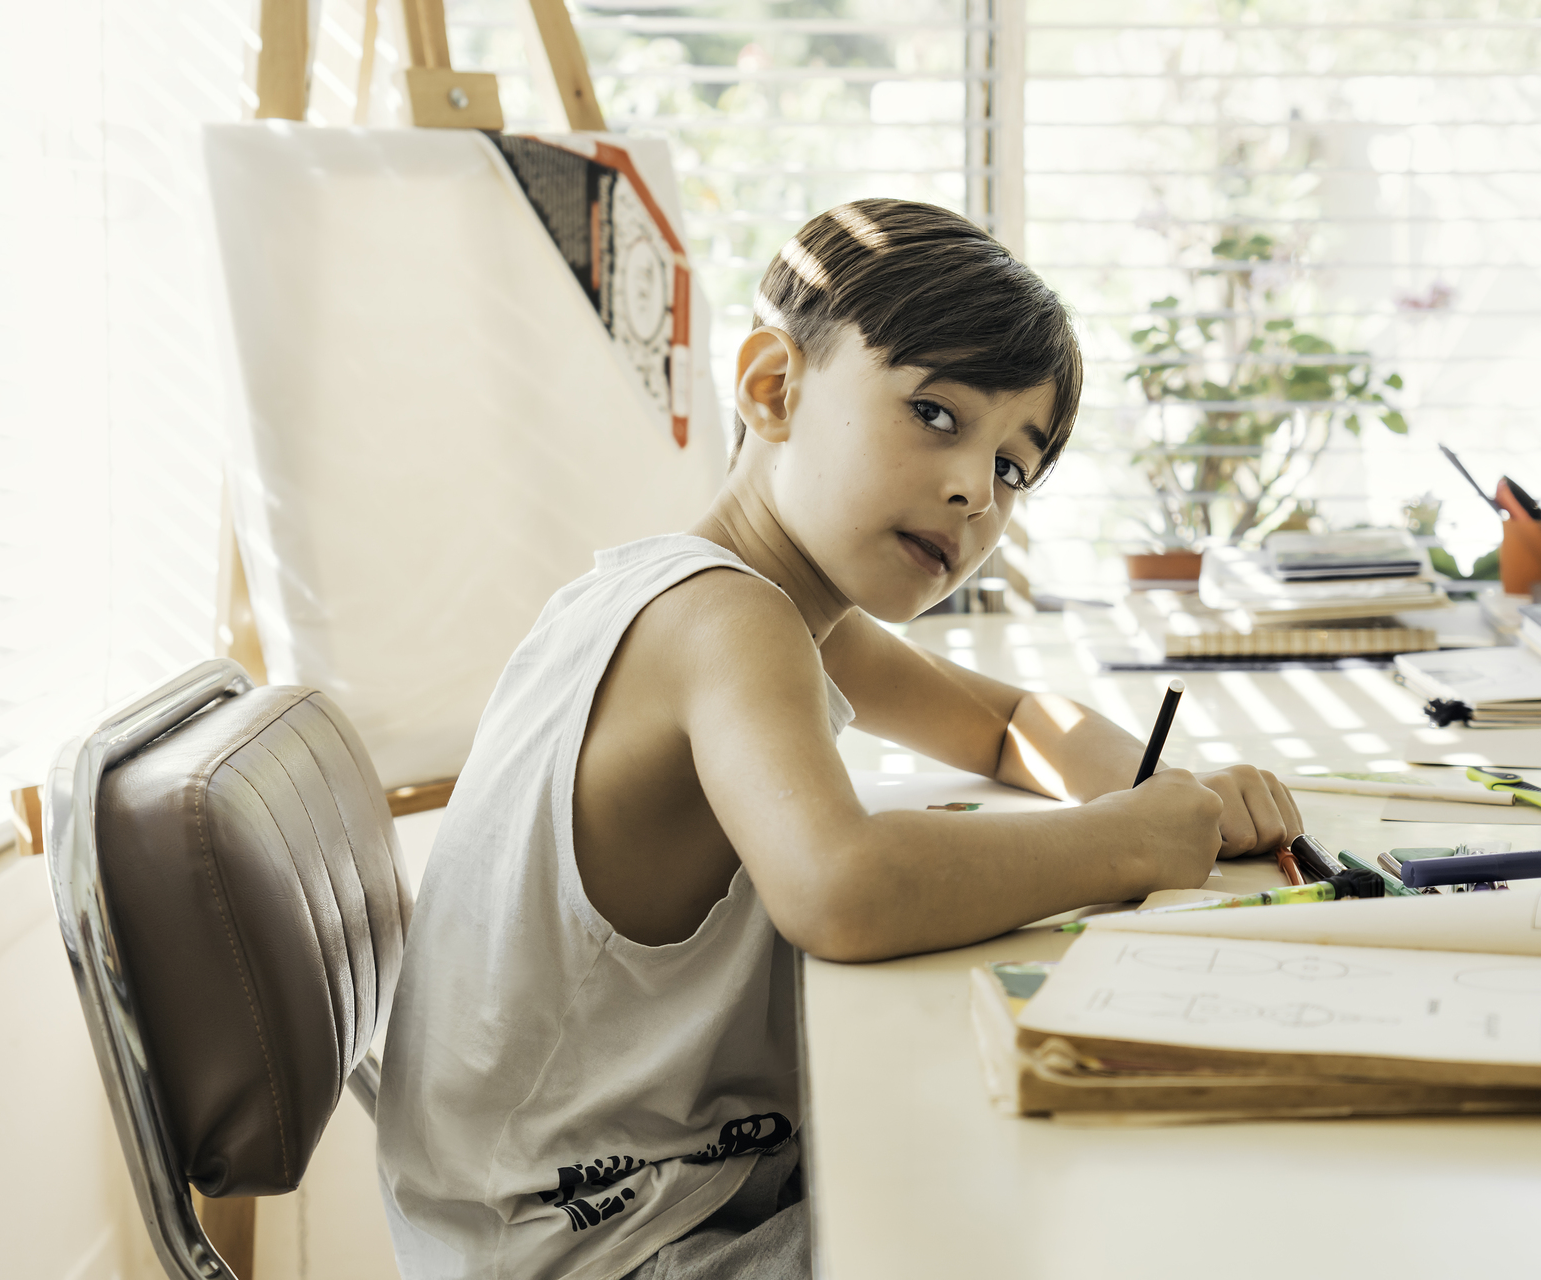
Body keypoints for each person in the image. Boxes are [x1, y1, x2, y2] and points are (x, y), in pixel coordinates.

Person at [375, 199, 1304, 1280]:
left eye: (1012, 465)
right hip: (603, 1245)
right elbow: (843, 888)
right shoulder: (729, 621)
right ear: (774, 388)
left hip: (596, 1209)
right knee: (1125, 1217)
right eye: (937, 414)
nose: (972, 489)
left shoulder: (741, 596)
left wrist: (1169, 789)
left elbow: (1006, 726)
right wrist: (1133, 840)